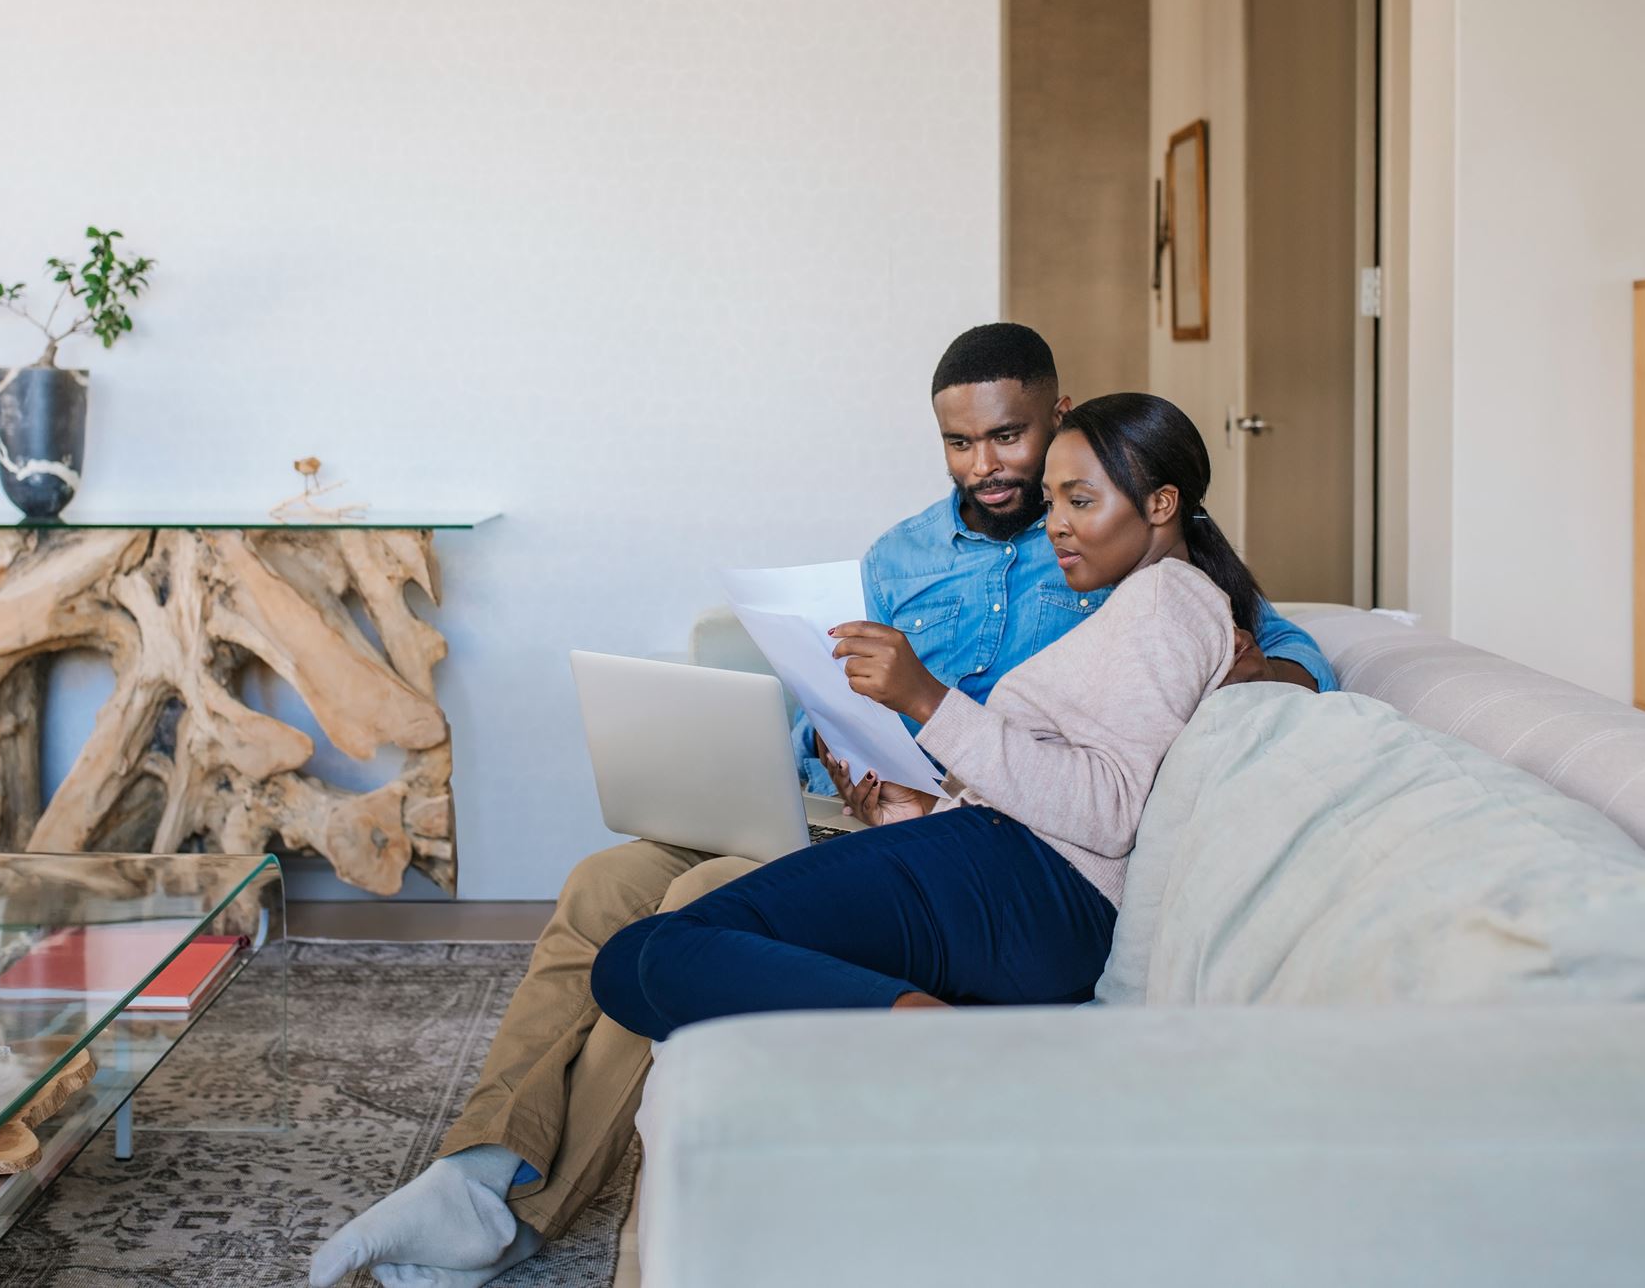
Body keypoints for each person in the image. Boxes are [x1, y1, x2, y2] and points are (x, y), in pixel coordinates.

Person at [308, 331, 1332, 1288]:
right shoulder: (905, 555)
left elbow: (1263, 645)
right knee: (601, 883)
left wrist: (1264, 676)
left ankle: (522, 1210)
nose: (991, 468)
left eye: (1011, 438)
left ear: (1057, 418)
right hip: (892, 808)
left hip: (994, 836)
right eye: (961, 443)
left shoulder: (1133, 560)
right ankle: (479, 1169)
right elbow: (837, 694)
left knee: (695, 909)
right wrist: (829, 745)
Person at [591, 392, 1253, 1036]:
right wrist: (930, 812)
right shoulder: (1149, 602)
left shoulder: (1166, 601)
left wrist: (927, 701)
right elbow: (1072, 785)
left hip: (1035, 891)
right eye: (1052, 501)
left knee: (667, 948)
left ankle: (944, 1050)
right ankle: (924, 1041)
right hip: (1015, 878)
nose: (1056, 523)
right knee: (636, 962)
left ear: (1161, 504)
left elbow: (1108, 811)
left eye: (1080, 501)